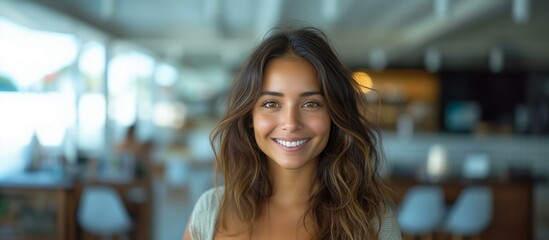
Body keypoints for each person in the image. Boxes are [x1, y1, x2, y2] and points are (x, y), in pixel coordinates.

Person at [183, 27, 401, 240]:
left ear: (334, 114)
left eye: (310, 104)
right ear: (250, 117)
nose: (291, 123)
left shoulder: (372, 220)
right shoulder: (210, 212)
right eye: (271, 103)